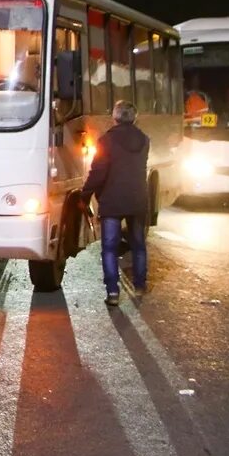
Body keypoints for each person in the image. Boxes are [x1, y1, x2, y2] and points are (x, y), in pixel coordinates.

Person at [82, 100, 150, 306]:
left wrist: (86, 195)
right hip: (138, 199)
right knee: (138, 245)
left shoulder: (106, 141)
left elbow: (98, 172)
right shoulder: (144, 140)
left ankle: (113, 291)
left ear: (115, 117)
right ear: (135, 118)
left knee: (110, 248)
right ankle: (139, 286)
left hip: (112, 201)